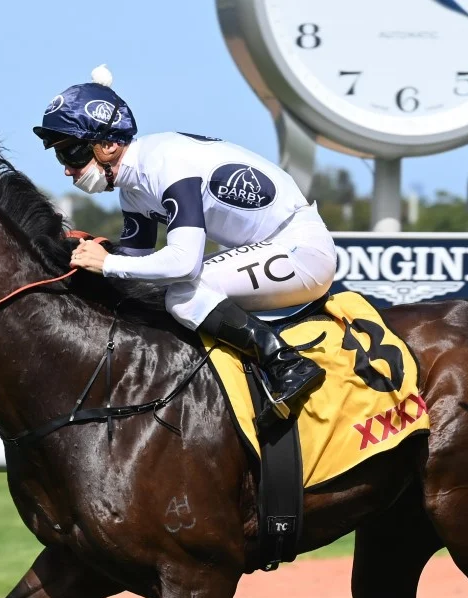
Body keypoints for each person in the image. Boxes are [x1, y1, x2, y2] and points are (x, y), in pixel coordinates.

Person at [33, 65, 335, 423]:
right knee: (156, 295)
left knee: (184, 293)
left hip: (301, 249)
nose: (67, 170)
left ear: (109, 145)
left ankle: (286, 363)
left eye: (72, 154)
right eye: (61, 157)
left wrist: (107, 263)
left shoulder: (165, 164)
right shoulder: (134, 188)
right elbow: (135, 268)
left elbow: (183, 264)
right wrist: (85, 256)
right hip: (274, 246)